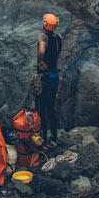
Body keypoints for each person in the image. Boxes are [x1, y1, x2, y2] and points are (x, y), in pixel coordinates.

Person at [36, 12, 62, 146]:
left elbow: (41, 50)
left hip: (44, 78)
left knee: (42, 109)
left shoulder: (43, 37)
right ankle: (54, 139)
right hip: (54, 76)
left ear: (45, 24)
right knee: (51, 109)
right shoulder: (58, 38)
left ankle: (44, 141)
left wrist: (40, 61)